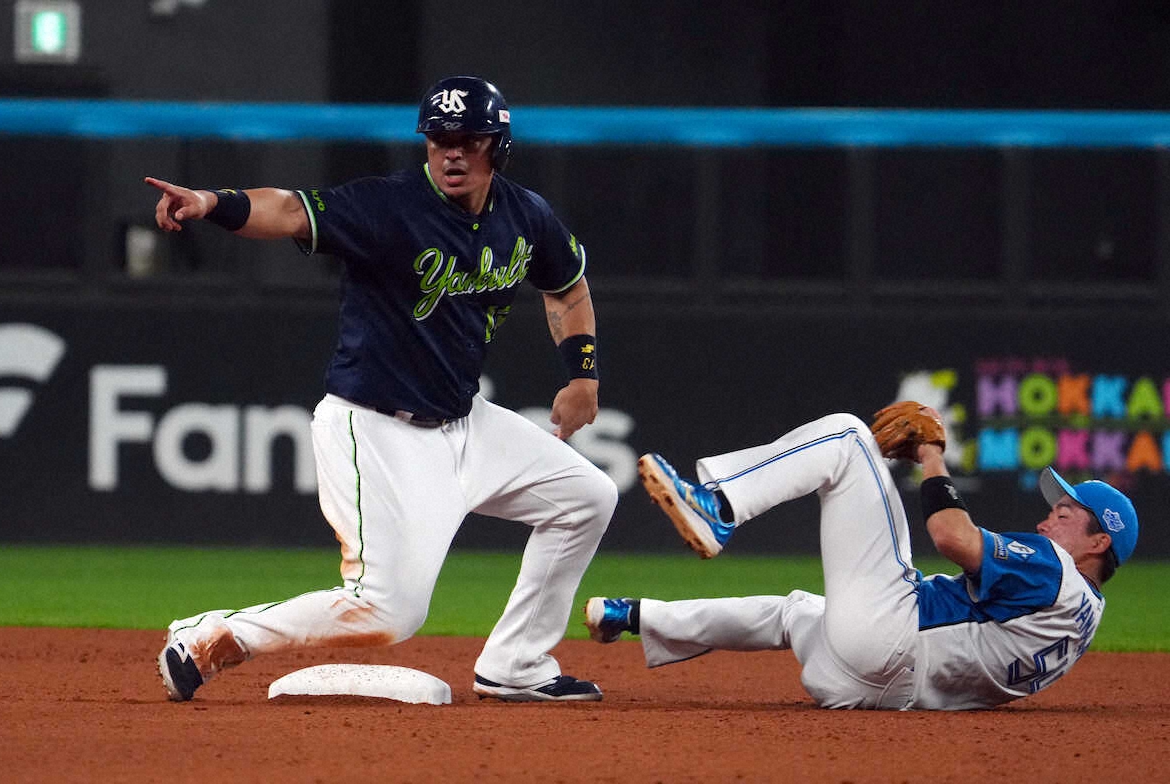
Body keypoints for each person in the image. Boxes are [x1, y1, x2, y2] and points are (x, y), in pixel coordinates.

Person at [146, 75, 617, 702]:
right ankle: (210, 636)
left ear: (498, 146)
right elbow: (289, 210)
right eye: (439, 140)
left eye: (469, 140)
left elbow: (566, 286)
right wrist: (212, 201)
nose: (452, 153)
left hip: (465, 421)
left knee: (587, 496)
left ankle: (517, 663)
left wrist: (582, 372)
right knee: (388, 611)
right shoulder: (386, 205)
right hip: (376, 427)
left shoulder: (525, 214)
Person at [585, 406, 1138, 710]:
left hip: (889, 641)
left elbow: (951, 536)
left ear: (1099, 542)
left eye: (1065, 513)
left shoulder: (1053, 568)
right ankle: (633, 616)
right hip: (872, 690)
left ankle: (720, 507)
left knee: (849, 439)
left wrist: (931, 456)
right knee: (793, 611)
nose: (1046, 521)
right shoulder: (1085, 619)